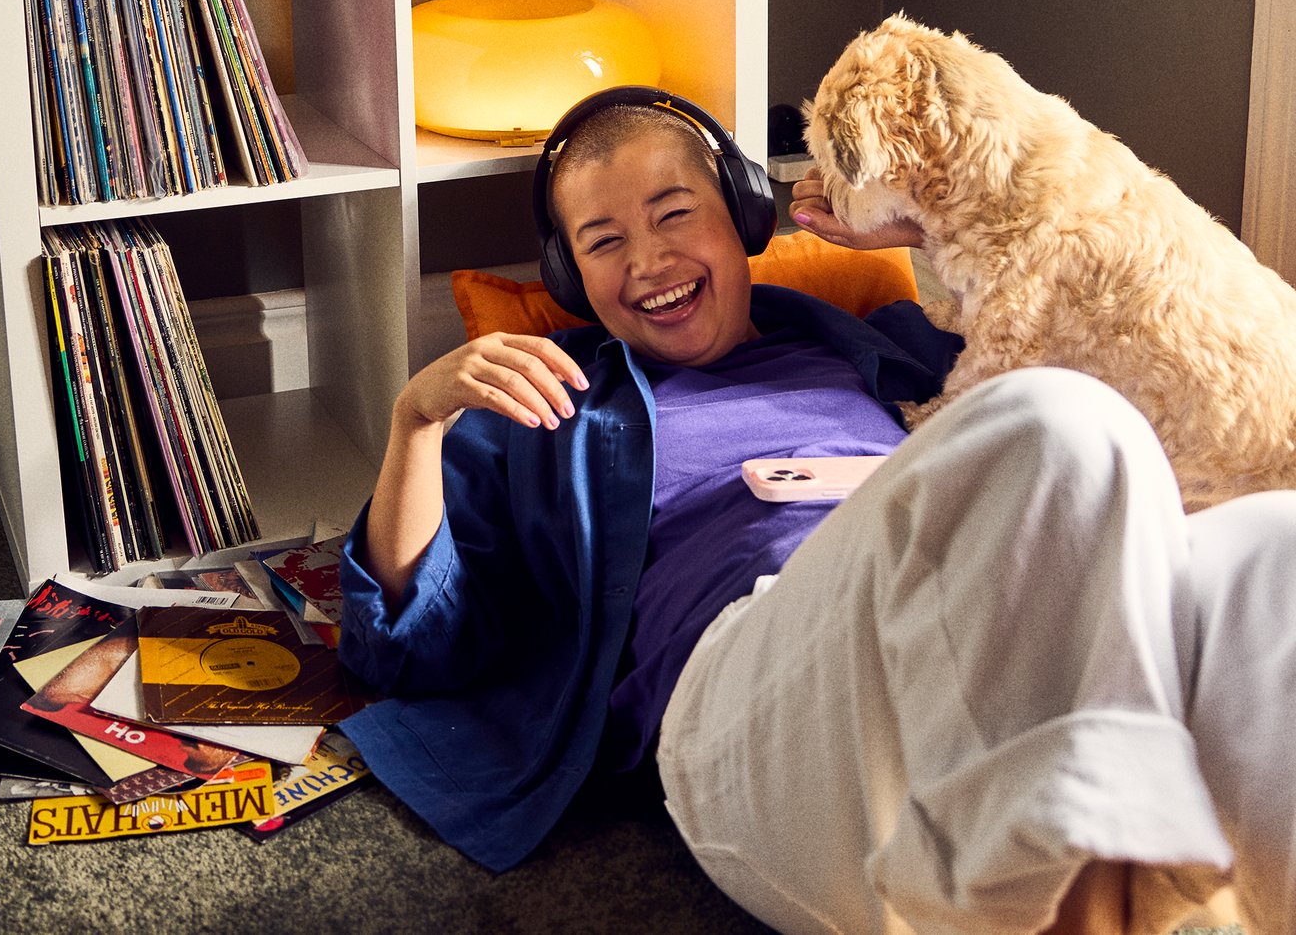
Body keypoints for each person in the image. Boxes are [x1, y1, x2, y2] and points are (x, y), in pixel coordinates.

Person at [337, 89, 1285, 935]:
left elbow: (1134, 372)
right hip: (758, 704)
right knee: (1061, 416)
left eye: (677, 214)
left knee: (1270, 541)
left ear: (745, 217)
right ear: (568, 273)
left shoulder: (889, 348)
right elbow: (409, 647)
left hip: (983, 651)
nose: (651, 259)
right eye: (603, 241)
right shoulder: (551, 406)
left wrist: (930, 236)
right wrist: (415, 422)